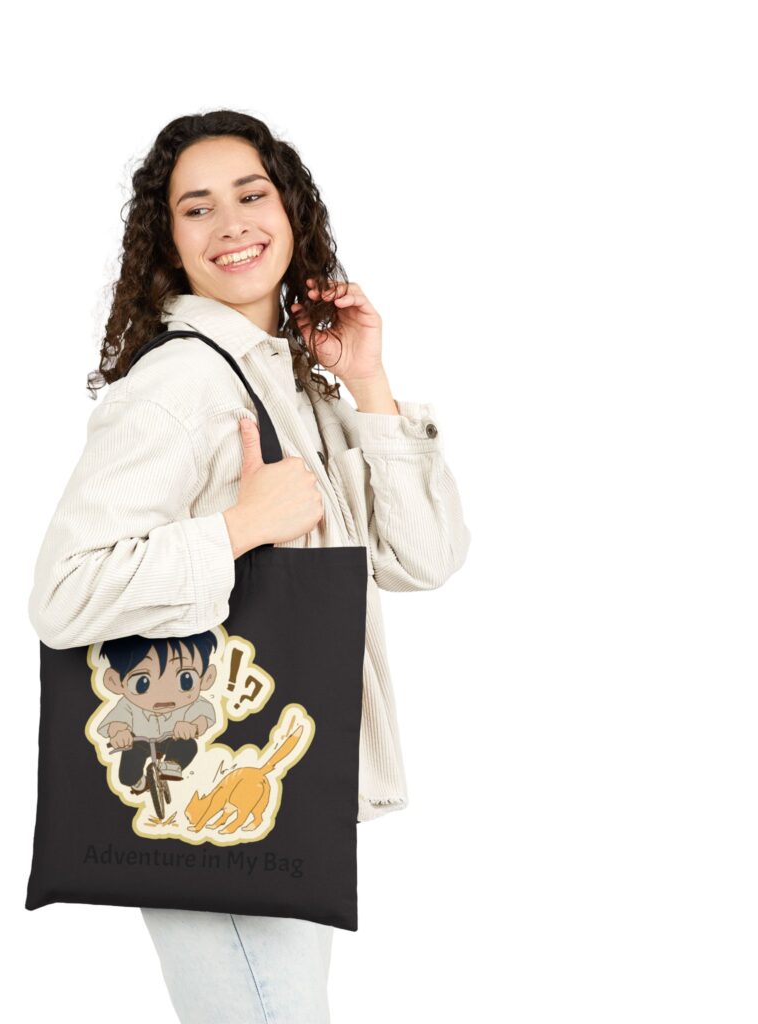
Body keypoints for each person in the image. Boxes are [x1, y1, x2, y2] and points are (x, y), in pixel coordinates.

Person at [28, 109, 471, 1024]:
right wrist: (239, 528)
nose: (231, 223)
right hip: (206, 793)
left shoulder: (289, 383)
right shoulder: (181, 384)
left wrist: (369, 383)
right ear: (170, 244)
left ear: (292, 212)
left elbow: (423, 559)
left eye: (251, 194)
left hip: (275, 795)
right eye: (197, 208)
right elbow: (65, 592)